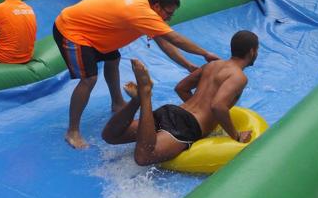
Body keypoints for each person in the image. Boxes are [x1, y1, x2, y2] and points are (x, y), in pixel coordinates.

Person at [53, 0, 220, 149]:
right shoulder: (142, 14)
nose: (169, 18)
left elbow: (164, 43)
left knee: (113, 60)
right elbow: (175, 39)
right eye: (168, 13)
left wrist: (188, 65)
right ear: (156, 6)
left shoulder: (145, 10)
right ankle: (72, 131)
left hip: (97, 30)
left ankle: (117, 102)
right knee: (89, 79)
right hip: (72, 29)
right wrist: (205, 53)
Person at [101, 30, 259, 166]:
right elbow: (218, 106)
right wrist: (236, 135)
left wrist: (194, 108)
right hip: (188, 125)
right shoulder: (239, 77)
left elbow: (181, 88)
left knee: (111, 136)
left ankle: (137, 100)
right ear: (252, 51)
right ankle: (145, 96)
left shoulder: (212, 65)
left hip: (172, 111)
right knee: (144, 157)